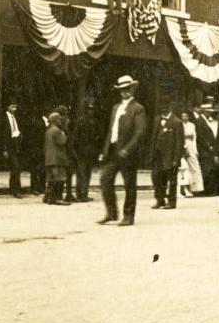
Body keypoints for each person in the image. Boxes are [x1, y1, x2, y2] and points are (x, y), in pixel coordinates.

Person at [98, 75, 147, 226]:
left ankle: (128, 216)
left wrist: (128, 149)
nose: (125, 92)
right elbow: (111, 130)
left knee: (129, 185)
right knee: (105, 179)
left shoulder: (138, 108)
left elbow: (140, 132)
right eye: (122, 90)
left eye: (127, 89)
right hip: (113, 151)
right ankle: (112, 213)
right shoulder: (115, 108)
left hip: (128, 153)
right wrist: (104, 150)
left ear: (133, 89)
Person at [151, 99, 184, 210]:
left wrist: (176, 158)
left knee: (172, 179)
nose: (163, 109)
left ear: (170, 107)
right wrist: (152, 153)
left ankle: (172, 201)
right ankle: (160, 200)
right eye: (161, 107)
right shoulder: (156, 120)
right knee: (156, 177)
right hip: (158, 155)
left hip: (170, 156)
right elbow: (153, 139)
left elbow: (179, 142)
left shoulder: (177, 122)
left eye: (165, 107)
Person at [71, 101, 99, 202]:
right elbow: (75, 137)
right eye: (89, 109)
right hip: (82, 151)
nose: (90, 111)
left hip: (89, 151)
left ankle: (84, 193)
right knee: (82, 173)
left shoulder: (93, 121)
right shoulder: (81, 121)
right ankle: (81, 194)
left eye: (92, 109)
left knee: (87, 173)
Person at [43, 111, 70, 205]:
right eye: (59, 119)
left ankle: (48, 197)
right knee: (59, 178)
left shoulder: (49, 130)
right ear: (55, 120)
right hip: (57, 158)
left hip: (49, 159)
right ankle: (57, 198)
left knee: (51, 179)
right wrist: (63, 132)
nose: (60, 120)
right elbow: (62, 142)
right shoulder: (57, 130)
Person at [0, 101, 25, 198]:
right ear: (7, 107)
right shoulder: (3, 118)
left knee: (16, 168)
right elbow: (2, 135)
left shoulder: (17, 118)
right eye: (12, 106)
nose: (14, 108)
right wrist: (4, 149)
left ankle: (14, 187)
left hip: (17, 145)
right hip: (9, 146)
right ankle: (15, 190)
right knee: (15, 167)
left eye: (15, 106)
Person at [195, 101, 219, 196]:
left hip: (209, 149)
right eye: (208, 111)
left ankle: (209, 190)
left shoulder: (206, 120)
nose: (210, 113)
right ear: (204, 111)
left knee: (209, 169)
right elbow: (200, 136)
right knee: (206, 169)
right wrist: (208, 145)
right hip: (204, 149)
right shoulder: (199, 121)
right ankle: (205, 190)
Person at [177, 110, 203, 198]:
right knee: (183, 168)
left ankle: (195, 188)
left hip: (191, 146)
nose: (184, 118)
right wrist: (184, 148)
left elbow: (194, 138)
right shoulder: (179, 125)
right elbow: (180, 137)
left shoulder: (192, 125)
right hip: (183, 147)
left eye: (186, 116)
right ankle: (183, 189)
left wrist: (195, 150)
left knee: (195, 167)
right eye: (183, 116)